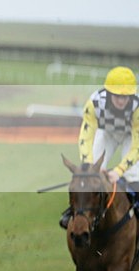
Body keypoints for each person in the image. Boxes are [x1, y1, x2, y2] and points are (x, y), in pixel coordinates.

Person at [59, 66, 139, 228]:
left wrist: (119, 170)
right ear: (108, 93)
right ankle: (73, 210)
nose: (122, 101)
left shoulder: (137, 108)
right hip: (106, 133)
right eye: (117, 96)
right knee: (89, 174)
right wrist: (88, 164)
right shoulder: (94, 103)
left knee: (134, 176)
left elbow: (137, 146)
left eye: (126, 97)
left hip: (131, 137)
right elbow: (86, 137)